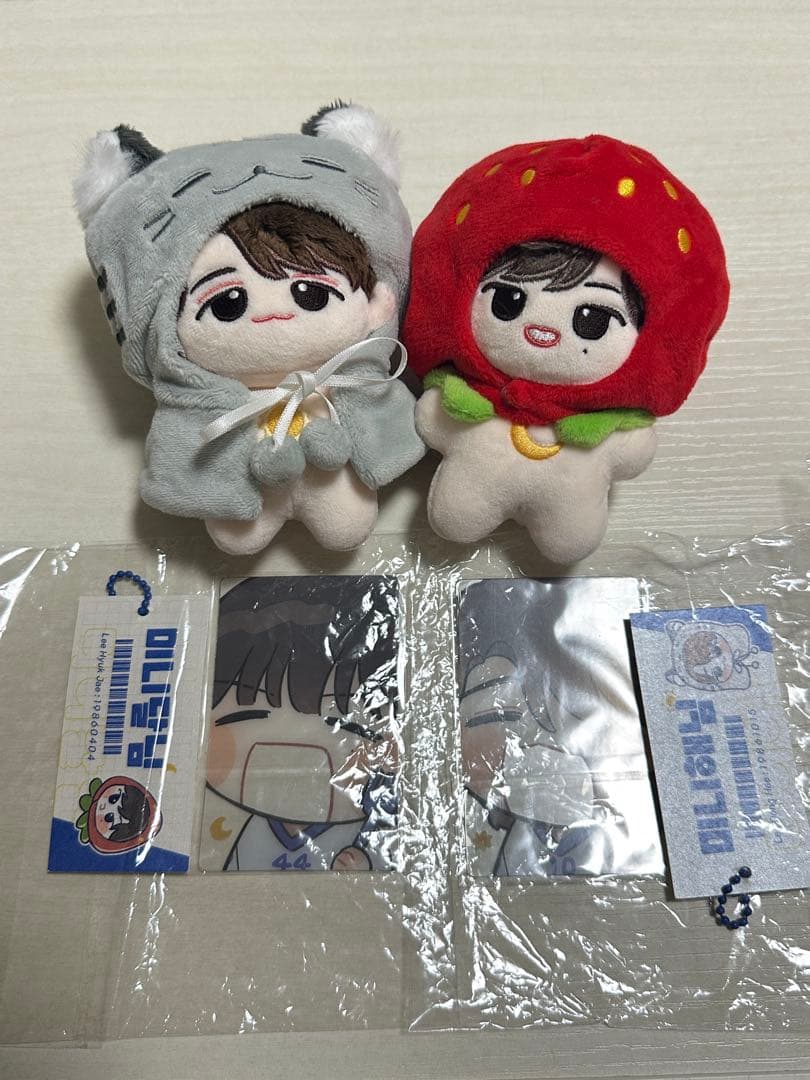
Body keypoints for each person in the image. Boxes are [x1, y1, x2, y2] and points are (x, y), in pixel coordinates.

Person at [204, 576, 401, 871]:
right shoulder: (251, 831)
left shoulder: (365, 831)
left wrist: (364, 862)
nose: (292, 752)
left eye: (348, 727)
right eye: (247, 717)